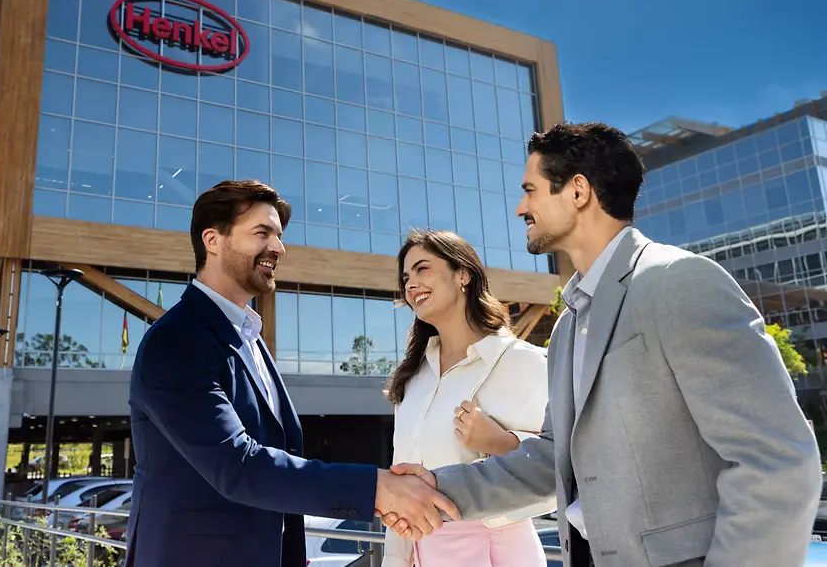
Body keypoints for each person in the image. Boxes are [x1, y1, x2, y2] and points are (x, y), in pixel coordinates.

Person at [385, 123, 821, 567]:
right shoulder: (567, 329)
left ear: (578, 191)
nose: (521, 208)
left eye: (531, 191)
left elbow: (777, 461)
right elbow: (550, 460)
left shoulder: (679, 282)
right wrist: (437, 486)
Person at [126, 179, 459, 567]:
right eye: (262, 233)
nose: (278, 248)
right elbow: (238, 465)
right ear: (213, 240)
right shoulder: (177, 340)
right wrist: (377, 488)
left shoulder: (250, 339)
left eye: (279, 236)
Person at [382, 229, 554, 567]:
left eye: (422, 268)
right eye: (405, 277)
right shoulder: (412, 379)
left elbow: (560, 466)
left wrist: (500, 441)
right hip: (424, 552)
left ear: (463, 274)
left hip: (498, 552)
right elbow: (400, 484)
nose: (411, 283)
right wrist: (396, 560)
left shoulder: (524, 362)